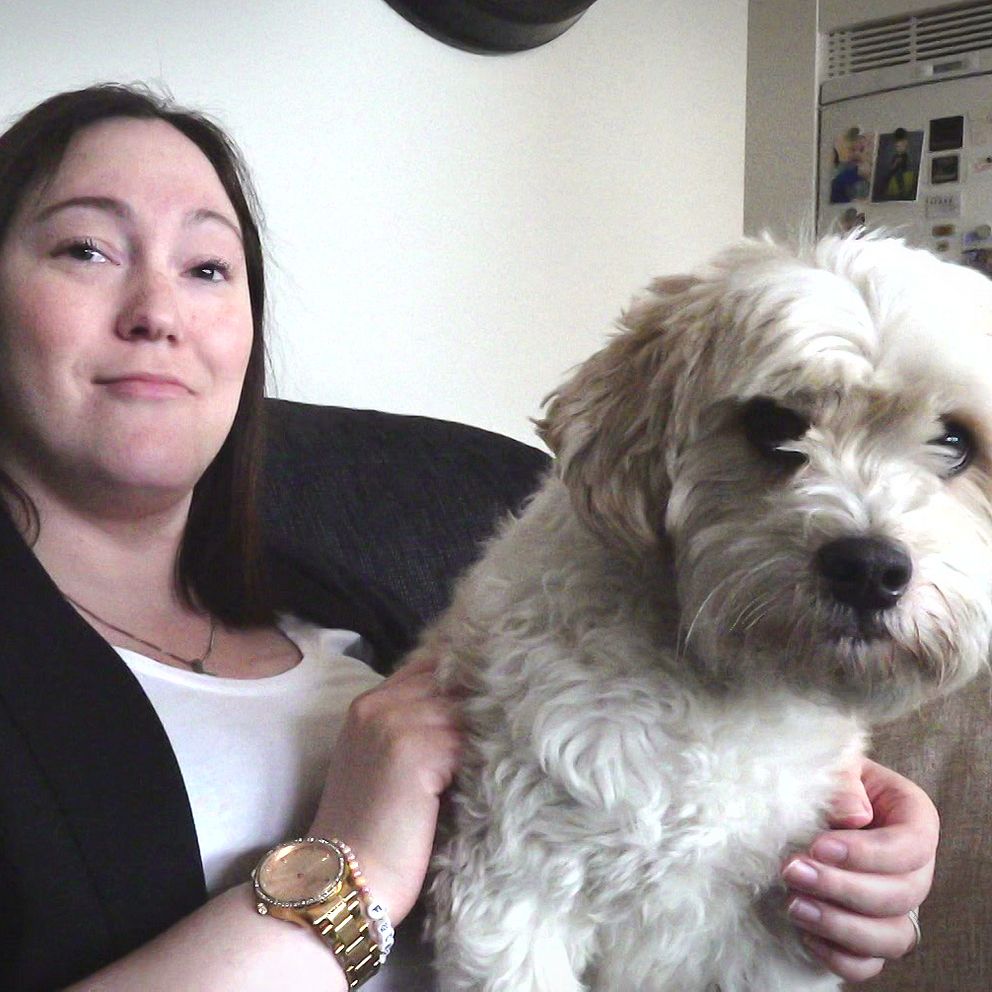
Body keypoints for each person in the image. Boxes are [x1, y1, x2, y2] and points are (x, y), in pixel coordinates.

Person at [0, 83, 935, 991]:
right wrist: (351, 871)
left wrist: (831, 832)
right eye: (86, 249)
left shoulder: (346, 587)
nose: (158, 312)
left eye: (207, 268)